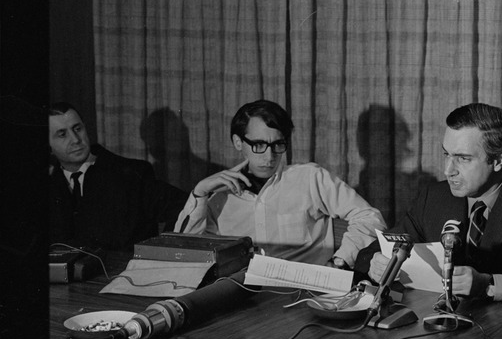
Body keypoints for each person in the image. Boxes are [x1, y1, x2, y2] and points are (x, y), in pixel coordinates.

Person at [355, 102, 502, 304]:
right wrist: (377, 263)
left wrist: (490, 285)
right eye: (446, 155)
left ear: (499, 160)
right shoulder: (433, 197)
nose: (448, 170)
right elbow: (372, 252)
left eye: (463, 158)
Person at [176, 99, 385, 266]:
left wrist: (342, 260)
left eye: (278, 144)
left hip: (306, 293)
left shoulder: (311, 178)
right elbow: (182, 251)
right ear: (238, 142)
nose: (269, 156)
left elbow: (369, 217)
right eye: (259, 145)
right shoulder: (218, 197)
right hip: (243, 297)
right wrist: (199, 193)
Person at [49, 102, 188, 251]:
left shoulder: (132, 174)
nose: (76, 139)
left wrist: (161, 253)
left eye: (77, 129)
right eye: (62, 134)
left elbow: (184, 206)